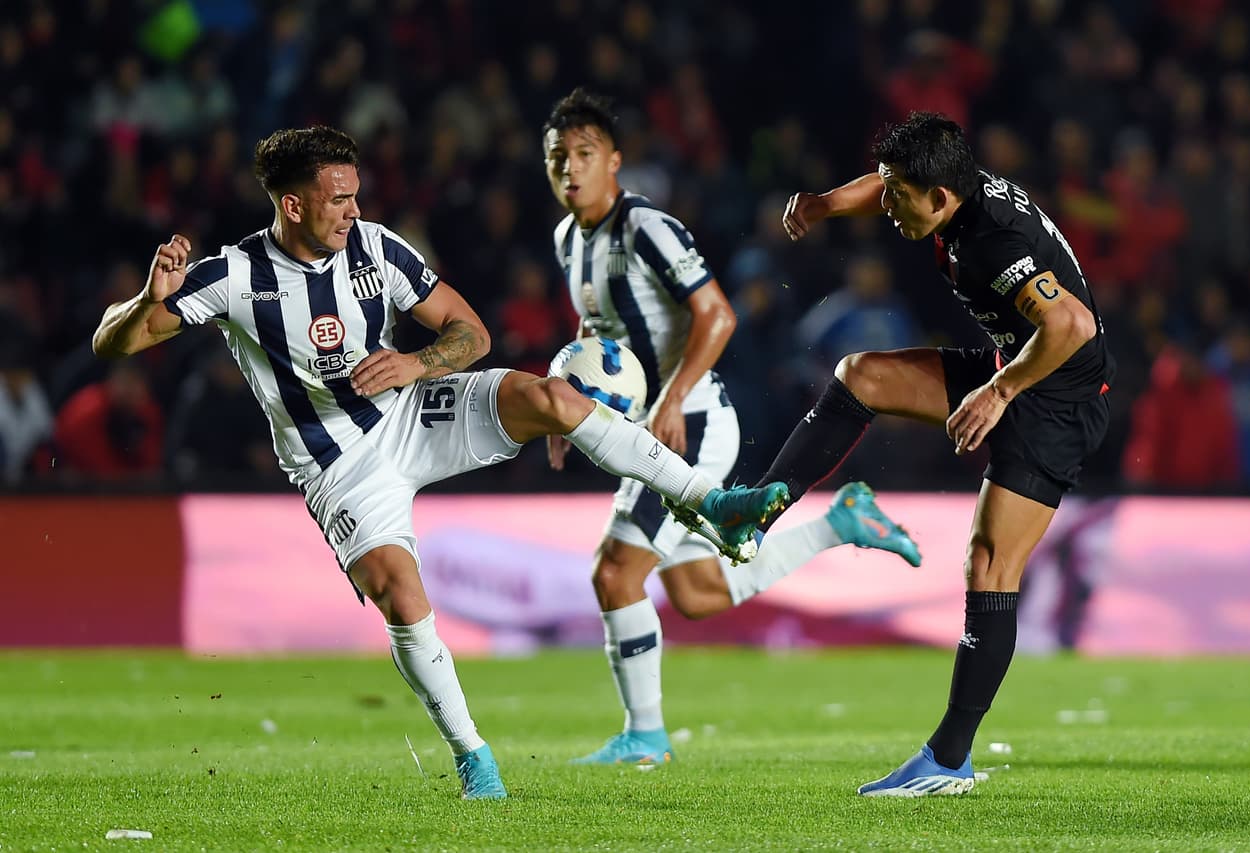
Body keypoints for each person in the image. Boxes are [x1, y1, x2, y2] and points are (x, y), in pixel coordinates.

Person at [90, 125, 786, 800]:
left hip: (412, 414)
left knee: (545, 394)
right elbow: (111, 344)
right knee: (400, 590)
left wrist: (415, 363)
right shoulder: (236, 274)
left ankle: (711, 500)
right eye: (339, 199)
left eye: (356, 195)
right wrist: (145, 303)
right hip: (338, 467)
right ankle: (474, 757)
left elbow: (473, 332)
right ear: (293, 204)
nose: (354, 211)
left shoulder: (376, 249)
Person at [723, 111, 1114, 795]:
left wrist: (998, 391)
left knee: (989, 563)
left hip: (1056, 395)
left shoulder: (994, 240)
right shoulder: (951, 190)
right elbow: (883, 188)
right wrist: (824, 204)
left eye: (899, 196)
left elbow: (1073, 325)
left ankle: (950, 759)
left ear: (937, 198)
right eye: (888, 191)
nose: (890, 207)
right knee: (860, 374)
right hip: (1014, 363)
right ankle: (757, 513)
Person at [542, 89, 921, 766]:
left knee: (615, 571)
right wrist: (565, 406)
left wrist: (672, 397)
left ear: (615, 162)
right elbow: (594, 331)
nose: (570, 168)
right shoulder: (569, 238)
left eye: (584, 154)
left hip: (687, 421)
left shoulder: (646, 228)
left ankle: (645, 738)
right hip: (650, 424)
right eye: (558, 157)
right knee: (696, 592)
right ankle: (843, 522)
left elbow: (717, 314)